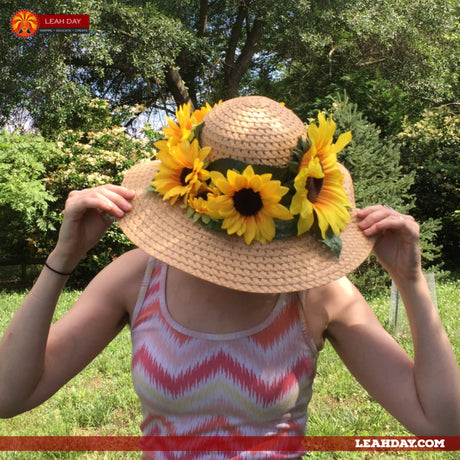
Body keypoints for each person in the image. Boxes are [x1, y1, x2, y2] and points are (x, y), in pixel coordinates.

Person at [0, 96, 459, 459]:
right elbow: (9, 395)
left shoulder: (316, 293)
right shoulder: (140, 279)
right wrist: (64, 258)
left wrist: (412, 284)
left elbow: (442, 425)